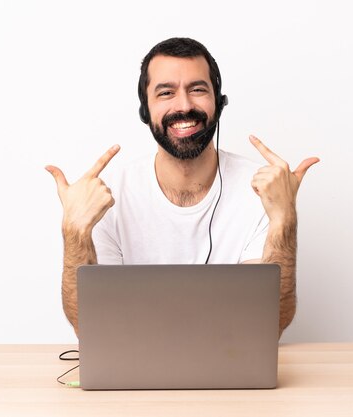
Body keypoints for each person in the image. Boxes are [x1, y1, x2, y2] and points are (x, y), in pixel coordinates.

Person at [46, 37, 319, 338]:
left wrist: (284, 219)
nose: (184, 106)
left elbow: (270, 321)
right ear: (145, 111)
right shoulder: (105, 196)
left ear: (219, 102)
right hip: (135, 370)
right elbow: (89, 326)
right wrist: (74, 232)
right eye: (166, 93)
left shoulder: (263, 190)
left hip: (231, 366)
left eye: (198, 89)